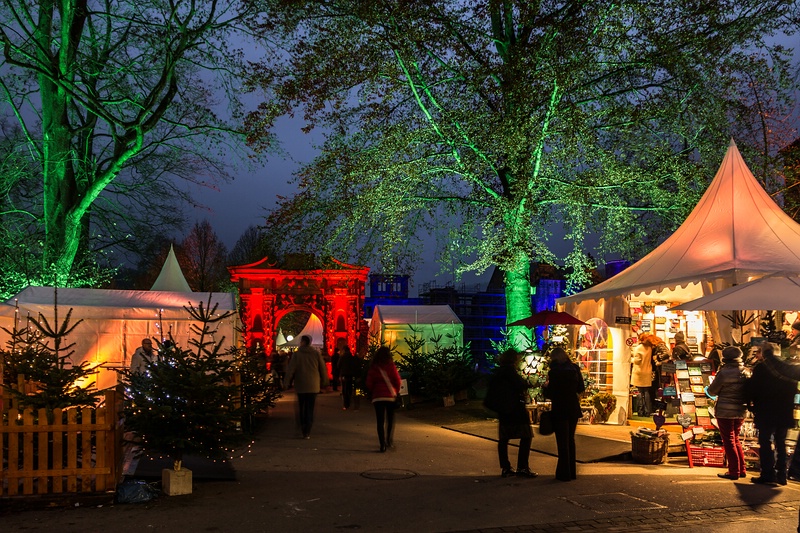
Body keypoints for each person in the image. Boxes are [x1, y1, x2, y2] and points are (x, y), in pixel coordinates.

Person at [745, 343, 795, 485]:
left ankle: (768, 473)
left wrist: (750, 404)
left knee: (765, 442)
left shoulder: (762, 368)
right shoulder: (787, 368)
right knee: (781, 442)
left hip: (766, 411)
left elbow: (752, 389)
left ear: (763, 353)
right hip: (784, 411)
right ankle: (782, 475)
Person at [483, 349, 538, 478]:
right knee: (526, 436)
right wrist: (527, 383)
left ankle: (506, 467)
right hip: (515, 410)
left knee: (504, 439)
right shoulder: (510, 372)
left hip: (504, 410)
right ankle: (522, 467)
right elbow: (520, 384)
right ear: (514, 359)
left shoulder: (498, 373)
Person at [706, 346, 749, 480]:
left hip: (725, 410)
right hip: (741, 409)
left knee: (729, 440)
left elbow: (712, 391)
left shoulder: (724, 373)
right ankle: (741, 469)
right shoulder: (746, 372)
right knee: (735, 439)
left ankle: (733, 471)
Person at [543, 347, 585, 482]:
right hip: (573, 407)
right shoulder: (574, 369)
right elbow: (581, 388)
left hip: (560, 408)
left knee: (562, 441)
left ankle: (563, 473)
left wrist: (546, 386)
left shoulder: (554, 372)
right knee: (570, 440)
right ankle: (571, 472)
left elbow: (549, 394)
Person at [283, 335, 329, 439]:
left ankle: (302, 425)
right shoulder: (316, 354)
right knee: (310, 408)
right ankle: (307, 430)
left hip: (301, 385)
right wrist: (325, 381)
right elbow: (322, 368)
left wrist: (286, 382)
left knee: (301, 406)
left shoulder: (297, 354)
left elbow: (291, 369)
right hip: (313, 385)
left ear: (302, 342)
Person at [365, 346, 402, 452]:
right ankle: (389, 441)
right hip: (390, 396)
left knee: (380, 421)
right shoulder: (391, 365)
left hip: (378, 397)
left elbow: (369, 382)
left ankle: (382, 445)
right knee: (390, 419)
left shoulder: (374, 367)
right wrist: (396, 391)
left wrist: (374, 390)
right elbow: (397, 380)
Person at [631, 336, 654, 417]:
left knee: (640, 392)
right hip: (647, 371)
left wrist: (631, 359)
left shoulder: (638, 348)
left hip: (639, 372)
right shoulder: (649, 348)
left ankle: (640, 411)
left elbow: (637, 361)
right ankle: (648, 411)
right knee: (646, 391)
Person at [337, 339, 361, 410]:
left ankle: (346, 404)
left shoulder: (342, 357)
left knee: (344, 389)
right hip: (350, 375)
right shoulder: (352, 357)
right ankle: (350, 401)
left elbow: (338, 365)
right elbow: (355, 366)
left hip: (344, 374)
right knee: (350, 389)